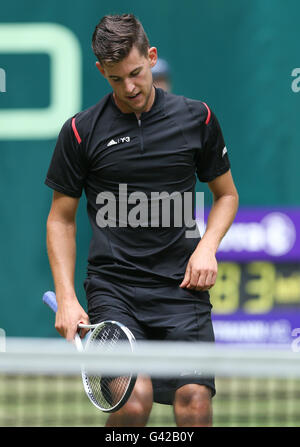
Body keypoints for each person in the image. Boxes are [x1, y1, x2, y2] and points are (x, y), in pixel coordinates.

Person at [45, 13, 238, 427]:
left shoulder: (197, 118)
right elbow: (60, 219)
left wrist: (206, 248)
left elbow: (226, 196)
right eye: (116, 79)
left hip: (181, 291)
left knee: (195, 404)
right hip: (115, 289)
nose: (129, 87)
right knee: (134, 402)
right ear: (101, 71)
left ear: (151, 58)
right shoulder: (80, 132)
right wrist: (66, 296)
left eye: (135, 73)